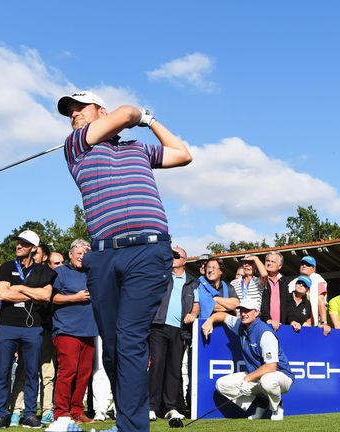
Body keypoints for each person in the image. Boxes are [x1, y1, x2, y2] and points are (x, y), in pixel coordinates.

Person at [58, 90, 192, 432]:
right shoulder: (76, 145)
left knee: (130, 337)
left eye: (79, 108)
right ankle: (126, 419)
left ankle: (131, 428)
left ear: (100, 109)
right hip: (102, 255)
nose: (73, 115)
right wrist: (136, 115)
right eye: (69, 112)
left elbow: (183, 154)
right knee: (114, 347)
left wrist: (150, 121)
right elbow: (126, 112)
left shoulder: (139, 149)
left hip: (149, 250)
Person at [0, 230, 55, 430]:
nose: (19, 246)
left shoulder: (45, 272)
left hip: (33, 327)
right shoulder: (8, 267)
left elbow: (45, 296)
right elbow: (3, 293)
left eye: (24, 244)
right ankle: (1, 414)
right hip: (8, 325)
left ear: (33, 248)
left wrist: (20, 288)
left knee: (31, 372)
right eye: (18, 243)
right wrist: (31, 293)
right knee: (2, 372)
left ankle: (29, 414)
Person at [201, 299, 293, 421]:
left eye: (247, 310)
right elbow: (222, 316)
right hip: (257, 375)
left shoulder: (265, 333)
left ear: (256, 312)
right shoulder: (239, 324)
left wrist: (247, 379)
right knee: (222, 385)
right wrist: (210, 320)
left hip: (280, 375)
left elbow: (271, 366)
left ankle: (277, 406)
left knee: (267, 381)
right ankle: (261, 402)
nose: (243, 313)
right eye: (242, 310)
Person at [148, 246, 199, 422]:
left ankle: (171, 407)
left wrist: (193, 313)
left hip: (180, 330)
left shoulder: (193, 282)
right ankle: (152, 406)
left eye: (176, 256)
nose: (173, 258)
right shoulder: (161, 275)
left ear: (185, 260)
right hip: (159, 326)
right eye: (170, 255)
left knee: (174, 368)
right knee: (157, 364)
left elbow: (196, 304)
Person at [51, 240, 97, 424]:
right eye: (78, 253)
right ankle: (61, 413)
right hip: (66, 330)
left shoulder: (93, 272)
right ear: (70, 254)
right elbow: (51, 298)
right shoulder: (60, 272)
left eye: (85, 254)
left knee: (84, 373)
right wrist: (75, 298)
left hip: (89, 330)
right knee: (67, 371)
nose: (81, 257)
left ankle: (77, 411)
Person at [286, 256, 328, 327]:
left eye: (308, 264)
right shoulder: (293, 282)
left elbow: (321, 301)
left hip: (311, 323)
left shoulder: (318, 280)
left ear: (314, 269)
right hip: (290, 322)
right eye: (302, 263)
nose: (304, 266)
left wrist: (324, 322)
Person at [259, 252, 290, 331]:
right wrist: (267, 319)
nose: (269, 263)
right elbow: (261, 302)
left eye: (273, 261)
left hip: (281, 327)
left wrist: (291, 320)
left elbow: (288, 304)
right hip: (263, 325)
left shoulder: (284, 281)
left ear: (279, 266)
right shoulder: (258, 280)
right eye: (268, 261)